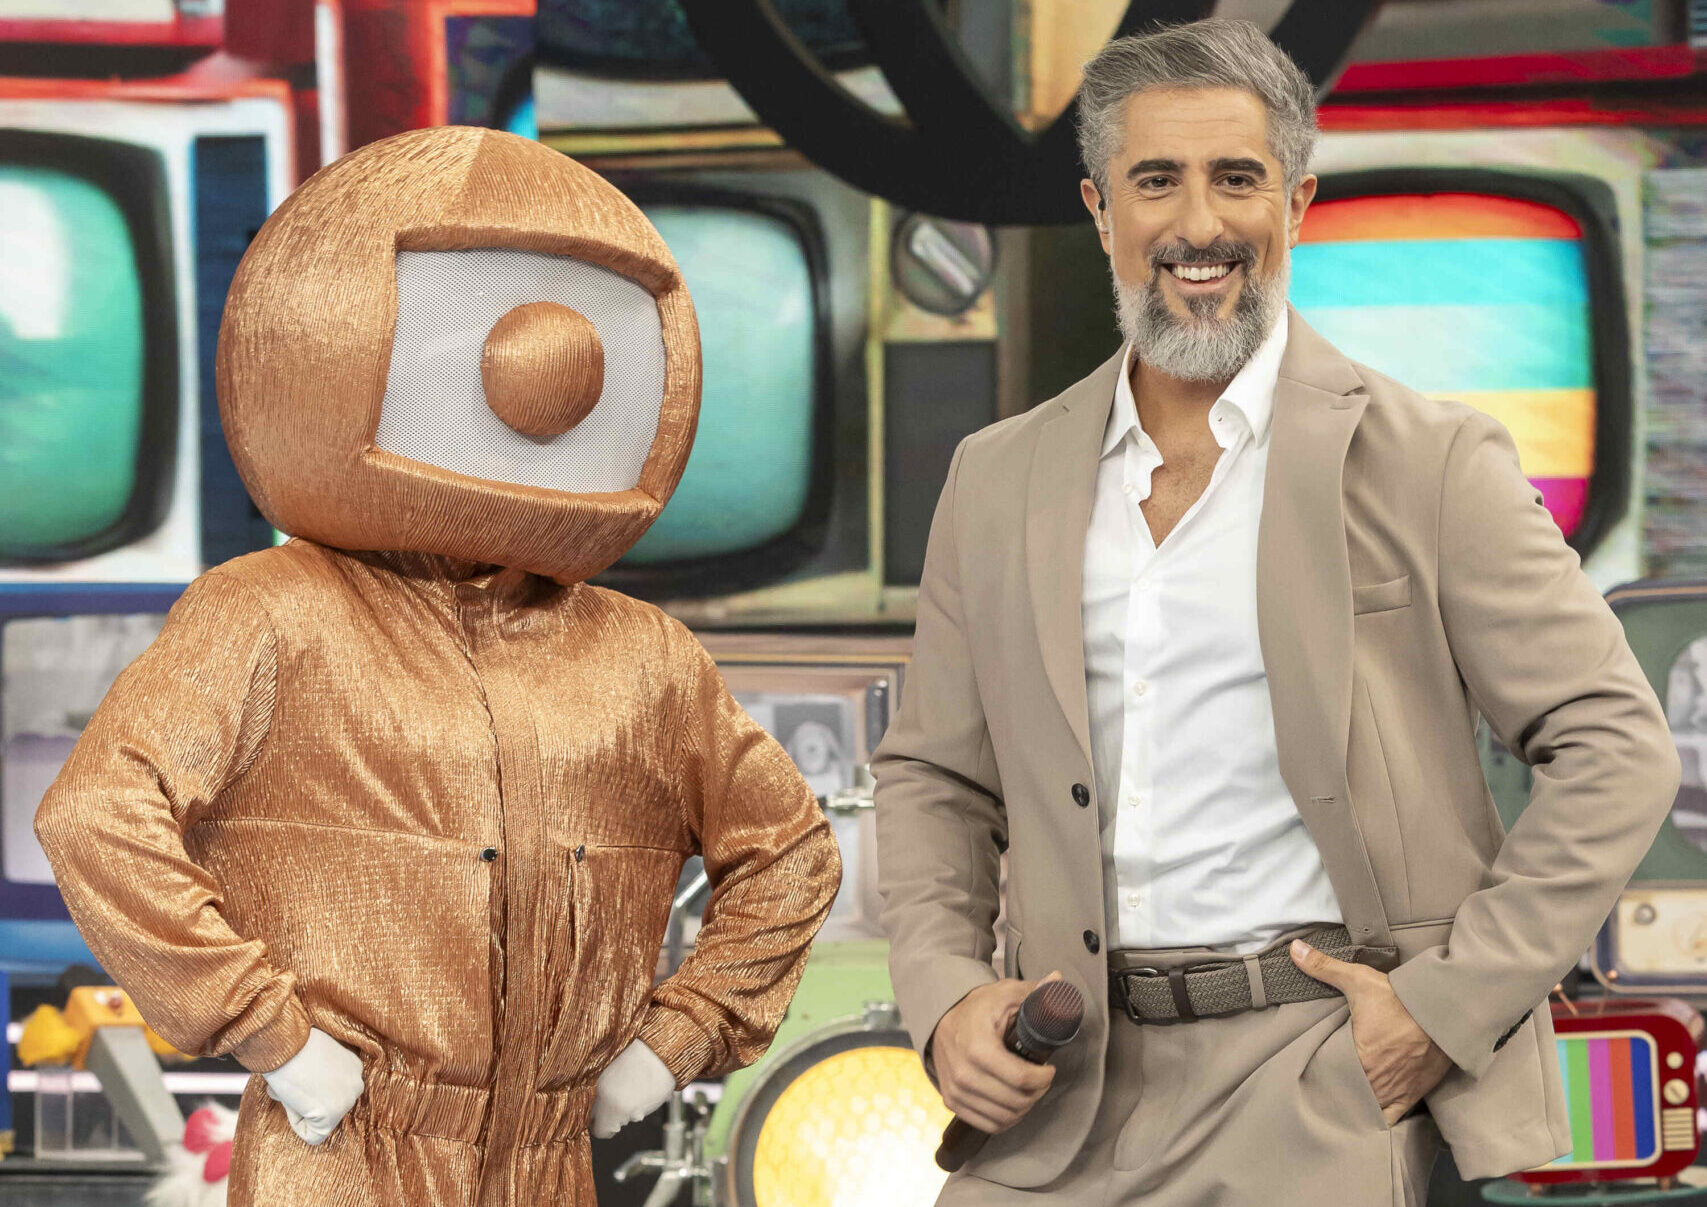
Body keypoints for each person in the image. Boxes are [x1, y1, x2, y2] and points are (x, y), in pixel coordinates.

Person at [873, 18, 1678, 1205]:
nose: (1199, 224)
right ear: (1100, 210)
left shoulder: (1433, 461)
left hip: (1318, 1081)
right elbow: (935, 777)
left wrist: (1443, 1007)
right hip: (1063, 1087)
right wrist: (946, 995)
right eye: (1157, 180)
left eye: (1237, 178)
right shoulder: (994, 477)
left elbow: (1617, 749)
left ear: (1295, 203)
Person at [35, 126, 841, 1206]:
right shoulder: (271, 614)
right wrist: (273, 1035)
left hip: (552, 1162)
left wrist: (675, 1040)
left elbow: (790, 852)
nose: (548, 375)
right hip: (345, 1153)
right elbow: (98, 815)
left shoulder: (645, 658)